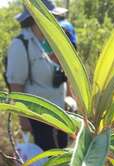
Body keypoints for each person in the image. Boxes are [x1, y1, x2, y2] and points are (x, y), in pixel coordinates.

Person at [6, 0, 70, 151]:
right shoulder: (21, 44)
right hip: (39, 118)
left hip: (58, 113)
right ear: (36, 18)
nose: (54, 22)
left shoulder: (45, 42)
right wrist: (23, 118)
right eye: (50, 17)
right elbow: (16, 85)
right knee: (47, 164)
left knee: (61, 156)